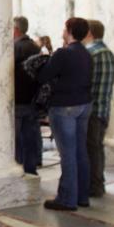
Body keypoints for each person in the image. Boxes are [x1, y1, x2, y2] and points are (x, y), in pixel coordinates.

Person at [37, 18, 92, 211]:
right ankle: (82, 196)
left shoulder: (63, 53)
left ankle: (67, 199)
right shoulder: (86, 53)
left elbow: (43, 75)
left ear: (69, 31)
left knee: (67, 153)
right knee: (80, 151)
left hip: (64, 105)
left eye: (64, 28)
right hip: (84, 104)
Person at [83, 19, 114, 198]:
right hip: (104, 109)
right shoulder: (109, 53)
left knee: (91, 149)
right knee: (97, 148)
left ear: (88, 33)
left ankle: (93, 186)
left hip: (91, 111)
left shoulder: (90, 53)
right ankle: (99, 183)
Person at [13, 16, 42, 175]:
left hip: (18, 99)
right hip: (32, 99)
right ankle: (31, 169)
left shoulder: (15, 48)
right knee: (30, 137)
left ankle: (18, 168)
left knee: (17, 139)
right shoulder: (35, 47)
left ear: (15, 30)